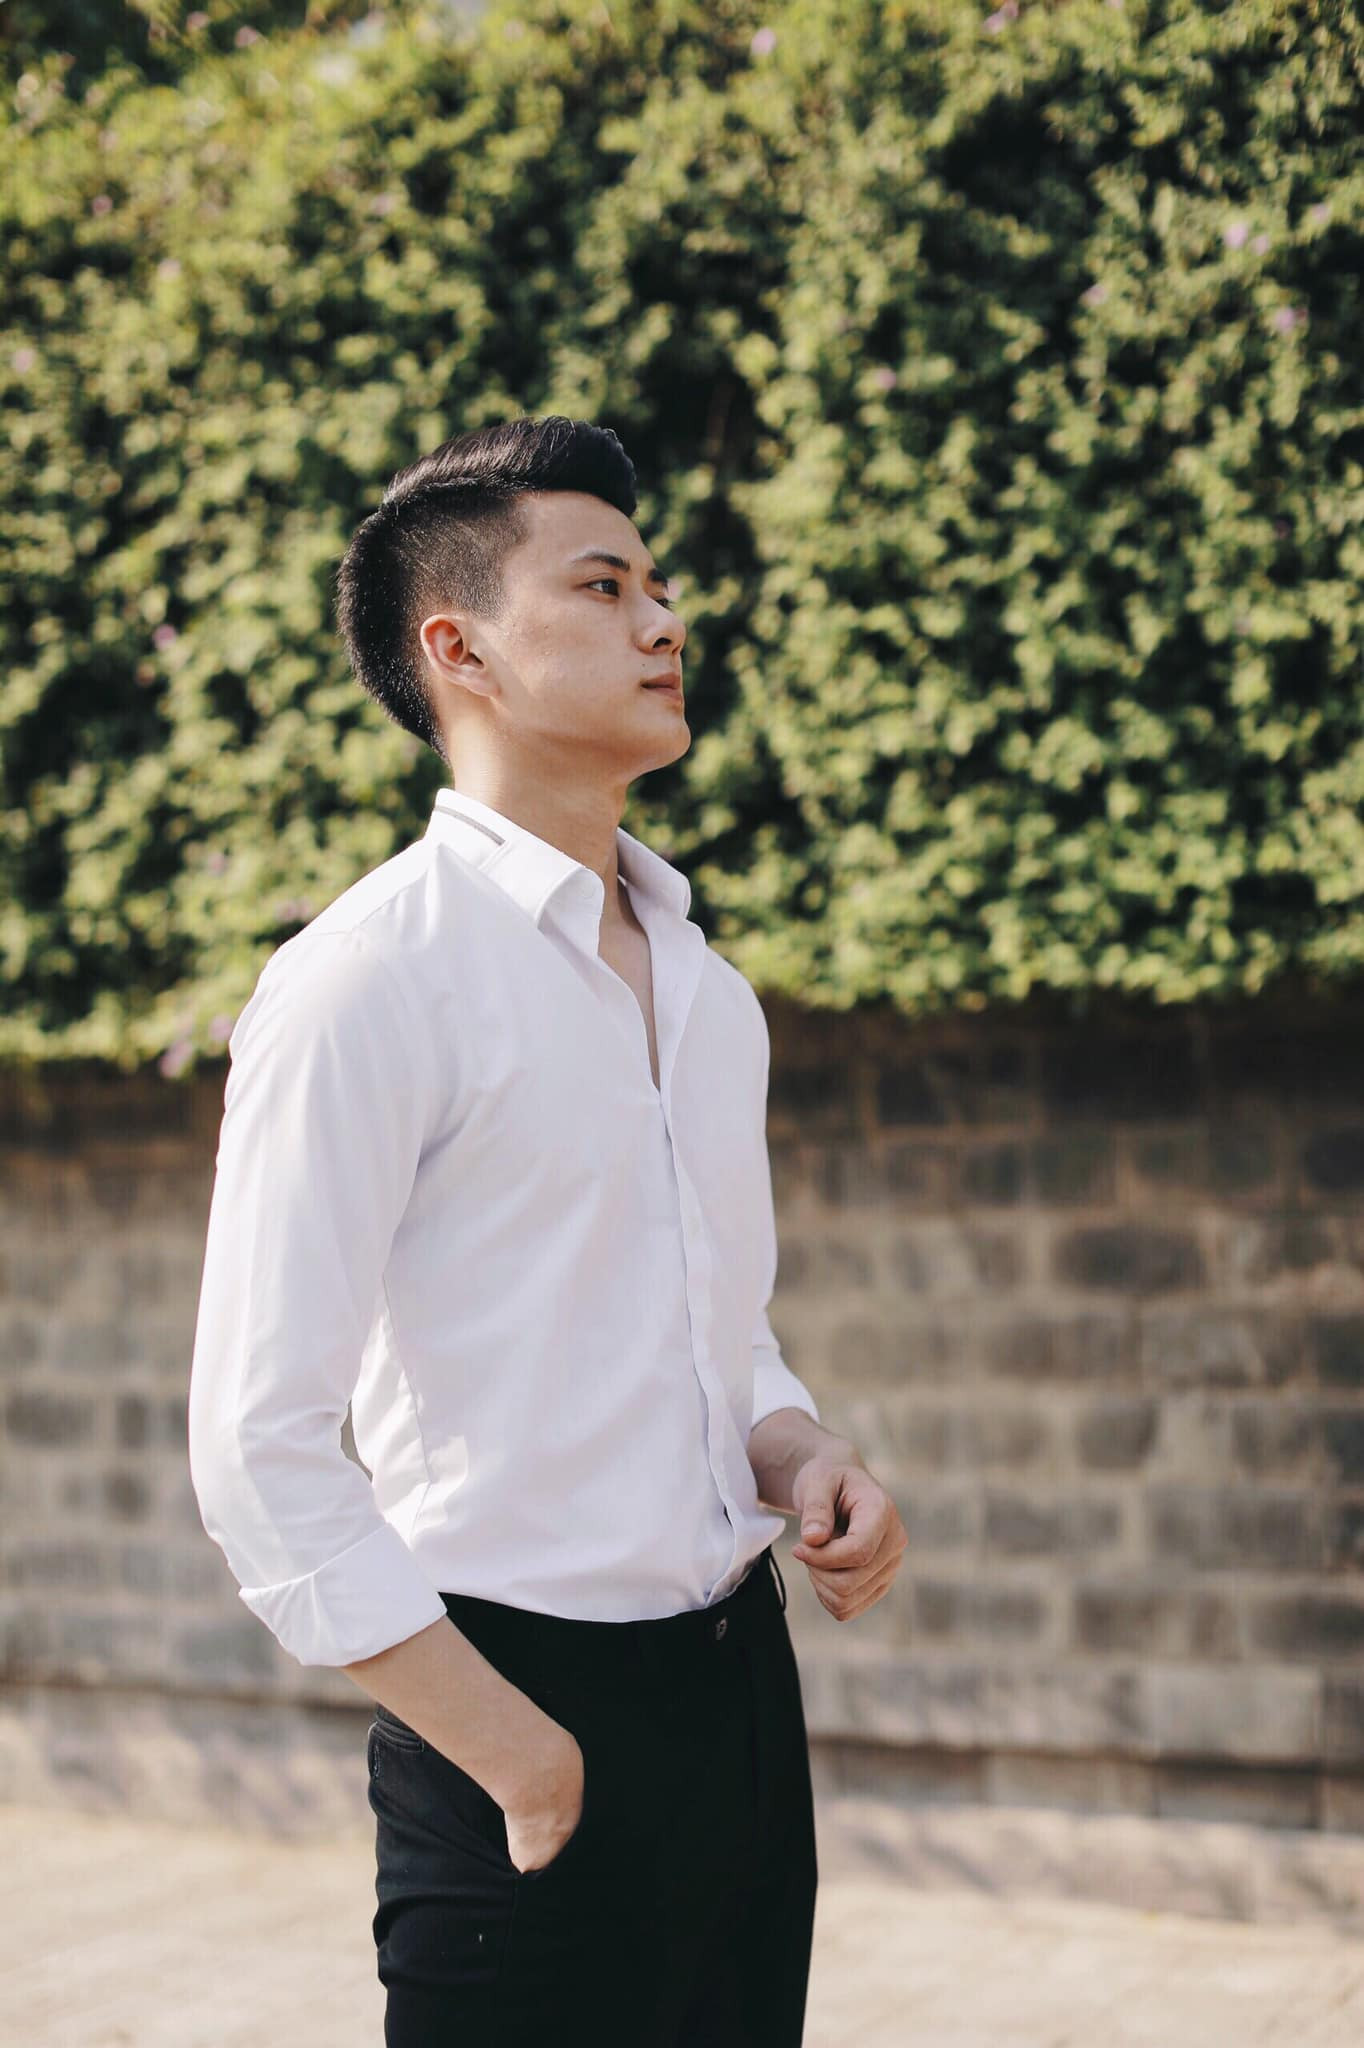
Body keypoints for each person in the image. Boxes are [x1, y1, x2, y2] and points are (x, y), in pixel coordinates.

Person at [187, 414, 907, 2046]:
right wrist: (521, 1757)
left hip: (742, 1698)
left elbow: (720, 1334)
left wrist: (804, 1453)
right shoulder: (367, 980)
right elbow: (256, 1446)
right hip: (517, 1717)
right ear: (461, 651)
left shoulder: (711, 994)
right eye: (603, 586)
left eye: (658, 585)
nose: (664, 619)